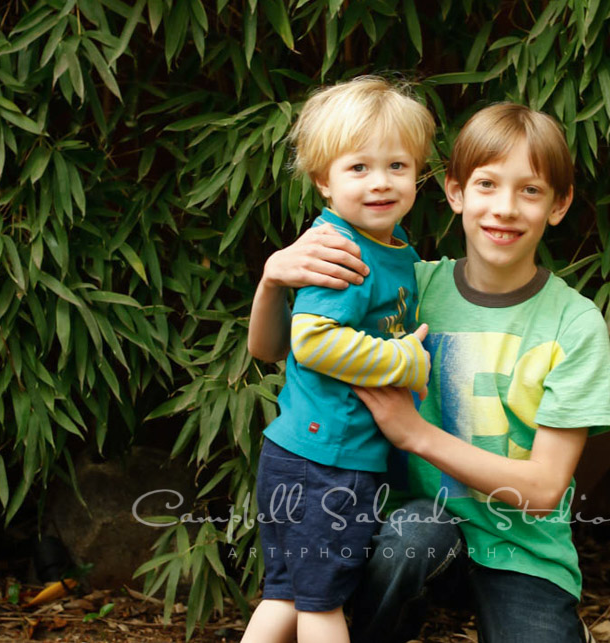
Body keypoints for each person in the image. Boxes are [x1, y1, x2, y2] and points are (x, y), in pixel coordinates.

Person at [249, 102, 610, 642]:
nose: (506, 209)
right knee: (410, 538)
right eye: (487, 184)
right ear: (455, 192)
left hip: (521, 547)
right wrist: (271, 280)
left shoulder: (573, 323)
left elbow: (542, 489)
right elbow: (277, 351)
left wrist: (416, 434)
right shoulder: (408, 284)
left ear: (559, 205)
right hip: (408, 527)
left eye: (531, 191)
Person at [241, 76, 436, 643]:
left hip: (301, 451)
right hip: (331, 461)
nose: (380, 182)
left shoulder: (389, 244)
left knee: (286, 595)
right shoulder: (341, 249)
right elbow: (314, 342)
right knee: (322, 608)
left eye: (397, 166)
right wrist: (405, 362)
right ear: (323, 181)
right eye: (358, 168)